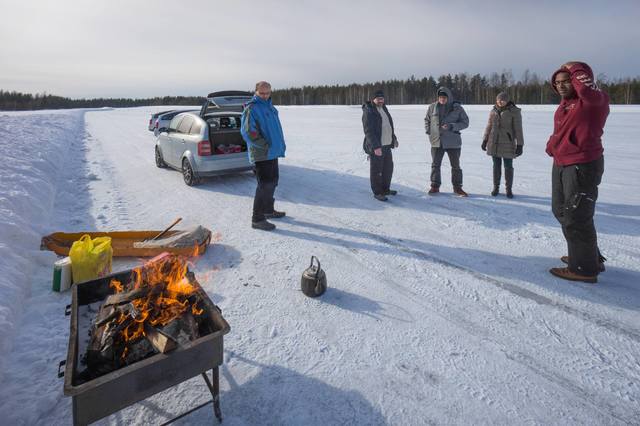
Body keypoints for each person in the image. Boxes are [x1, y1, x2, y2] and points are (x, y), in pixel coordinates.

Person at [546, 61, 609, 283]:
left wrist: (576, 71)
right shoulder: (565, 104)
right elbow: (563, 129)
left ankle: (584, 268)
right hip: (562, 163)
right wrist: (553, 144)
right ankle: (588, 256)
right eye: (557, 82)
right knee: (561, 210)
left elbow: (588, 93)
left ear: (578, 80)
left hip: (582, 164)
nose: (561, 86)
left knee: (577, 215)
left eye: (567, 81)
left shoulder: (595, 101)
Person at [241, 81, 287, 231]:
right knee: (264, 185)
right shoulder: (252, 108)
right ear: (255, 92)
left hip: (272, 152)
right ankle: (257, 218)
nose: (265, 95)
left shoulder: (270, 107)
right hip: (262, 153)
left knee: (273, 182)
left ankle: (268, 210)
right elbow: (249, 132)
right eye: (262, 93)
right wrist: (265, 145)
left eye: (267, 93)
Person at [424, 87, 470, 196]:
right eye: (440, 97)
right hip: (437, 141)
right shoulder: (432, 107)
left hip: (453, 142)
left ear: (449, 97)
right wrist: (429, 131)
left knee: (456, 166)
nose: (442, 99)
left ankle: (457, 188)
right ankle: (435, 186)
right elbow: (427, 120)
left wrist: (451, 126)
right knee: (435, 165)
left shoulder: (457, 108)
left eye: (444, 97)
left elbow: (465, 122)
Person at [482, 92, 524, 198]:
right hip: (494, 142)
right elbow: (489, 126)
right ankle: (496, 187)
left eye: (502, 100)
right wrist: (485, 140)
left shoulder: (514, 112)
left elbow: (518, 129)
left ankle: (508, 189)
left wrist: (520, 144)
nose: (500, 102)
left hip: (507, 143)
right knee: (496, 166)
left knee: (508, 167)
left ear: (507, 101)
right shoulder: (493, 111)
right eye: (498, 100)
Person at [362, 89, 399, 201]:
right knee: (376, 170)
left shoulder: (384, 108)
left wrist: (394, 139)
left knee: (388, 169)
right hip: (377, 146)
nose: (380, 100)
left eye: (382, 98)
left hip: (387, 145)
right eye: (378, 98)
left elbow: (388, 126)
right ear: (373, 99)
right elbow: (369, 131)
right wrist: (375, 147)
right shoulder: (369, 111)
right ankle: (378, 192)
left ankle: (385, 189)